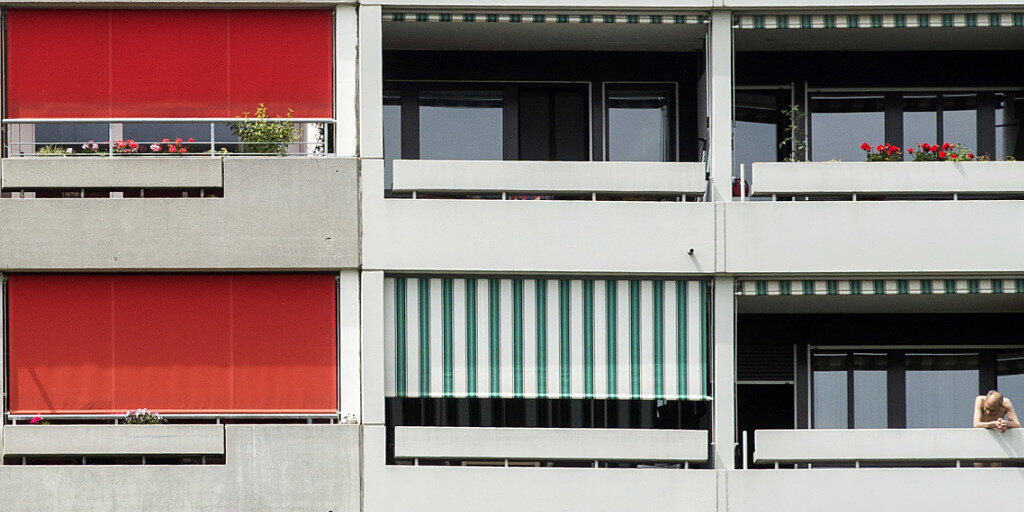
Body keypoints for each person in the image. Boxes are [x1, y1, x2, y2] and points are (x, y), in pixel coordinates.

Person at [973, 390, 1021, 467]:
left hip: (997, 439)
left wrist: (1005, 423)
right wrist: (994, 424)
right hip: (981, 439)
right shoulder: (980, 400)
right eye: (987, 408)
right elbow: (976, 424)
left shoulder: (1006, 403)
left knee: (996, 464)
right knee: (978, 465)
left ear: (1000, 406)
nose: (988, 412)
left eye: (992, 410)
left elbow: (1017, 424)